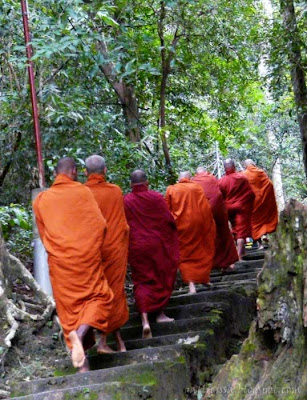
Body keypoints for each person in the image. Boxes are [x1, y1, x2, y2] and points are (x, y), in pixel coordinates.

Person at [33, 157, 113, 372]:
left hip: (61, 264)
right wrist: (91, 248)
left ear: (56, 174)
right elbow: (100, 225)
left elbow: (44, 235)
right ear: (75, 171)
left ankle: (83, 367)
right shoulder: (83, 192)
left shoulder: (41, 200)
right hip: (86, 260)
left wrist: (59, 250)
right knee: (100, 298)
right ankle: (79, 334)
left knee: (70, 311)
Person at [124, 169, 179, 339]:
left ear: (131, 185)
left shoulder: (126, 201)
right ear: (146, 183)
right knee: (159, 277)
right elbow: (168, 220)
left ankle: (145, 321)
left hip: (137, 246)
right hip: (156, 245)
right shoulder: (155, 197)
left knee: (141, 281)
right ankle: (160, 315)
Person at [84, 155, 129, 353]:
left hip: (89, 252)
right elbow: (122, 225)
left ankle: (112, 341)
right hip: (112, 249)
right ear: (105, 170)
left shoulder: (81, 193)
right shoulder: (115, 191)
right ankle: (108, 341)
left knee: (96, 294)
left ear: (85, 173)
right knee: (114, 293)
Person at [166, 171, 216, 294]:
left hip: (181, 226)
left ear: (179, 179)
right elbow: (206, 208)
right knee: (201, 251)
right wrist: (208, 224)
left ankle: (192, 286)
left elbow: (167, 210)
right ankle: (204, 279)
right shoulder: (197, 187)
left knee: (185, 255)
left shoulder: (172, 189)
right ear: (189, 178)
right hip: (198, 225)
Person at [192, 167, 238, 270]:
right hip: (218, 211)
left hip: (203, 213)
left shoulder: (194, 182)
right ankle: (229, 263)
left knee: (208, 237)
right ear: (205, 172)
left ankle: (212, 264)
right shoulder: (212, 178)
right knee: (224, 234)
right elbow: (220, 192)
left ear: (196, 174)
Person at [218, 159, 255, 260]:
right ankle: (238, 255)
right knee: (241, 231)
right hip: (241, 207)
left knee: (235, 229)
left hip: (229, 208)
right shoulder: (241, 177)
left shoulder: (221, 181)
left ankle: (242, 252)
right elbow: (251, 193)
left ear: (225, 168)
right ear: (234, 166)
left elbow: (220, 196)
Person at [242, 159, 278, 246]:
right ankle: (265, 235)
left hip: (252, 203)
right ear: (253, 164)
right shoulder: (260, 172)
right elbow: (269, 184)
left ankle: (260, 243)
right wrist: (266, 195)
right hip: (263, 201)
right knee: (265, 219)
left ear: (245, 166)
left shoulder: (244, 174)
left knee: (255, 223)